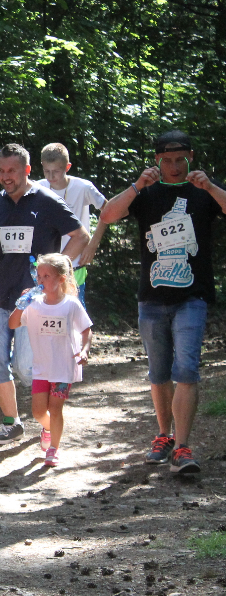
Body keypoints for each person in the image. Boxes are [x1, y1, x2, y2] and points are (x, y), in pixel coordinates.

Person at [98, 130, 226, 475]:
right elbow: (107, 216)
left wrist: (212, 187)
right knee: (158, 372)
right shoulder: (147, 193)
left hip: (192, 296)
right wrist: (137, 185)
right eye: (166, 160)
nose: (173, 166)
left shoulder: (203, 193)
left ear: (190, 158)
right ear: (157, 161)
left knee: (186, 368)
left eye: (179, 160)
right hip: (152, 298)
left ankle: (183, 446)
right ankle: (163, 436)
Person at [0, 144, 89, 446]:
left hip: (35, 302)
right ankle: (12, 422)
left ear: (27, 170)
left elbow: (81, 236)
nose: (5, 176)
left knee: (26, 368)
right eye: (0, 170)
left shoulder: (46, 200)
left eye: (11, 171)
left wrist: (55, 272)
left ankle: (49, 416)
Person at [8, 253, 92, 467]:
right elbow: (13, 324)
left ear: (61, 279)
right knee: (37, 411)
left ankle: (53, 448)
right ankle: (48, 428)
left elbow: (86, 329)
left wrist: (84, 350)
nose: (41, 281)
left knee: (55, 409)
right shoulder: (34, 305)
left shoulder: (71, 305)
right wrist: (21, 304)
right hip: (41, 368)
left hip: (63, 368)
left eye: (47, 276)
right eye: (38, 276)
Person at [36, 143, 108, 310]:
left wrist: (93, 244)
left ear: (67, 167)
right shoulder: (37, 187)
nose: (51, 176)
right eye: (47, 171)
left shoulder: (83, 187)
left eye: (56, 171)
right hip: (44, 267)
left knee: (74, 313)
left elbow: (108, 209)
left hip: (75, 264)